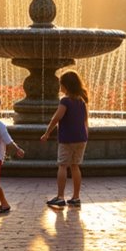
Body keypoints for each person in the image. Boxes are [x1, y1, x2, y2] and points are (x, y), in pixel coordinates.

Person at [41, 70, 89, 207]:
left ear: (66, 86)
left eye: (61, 84)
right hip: (81, 138)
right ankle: (76, 197)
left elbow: (56, 118)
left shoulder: (65, 101)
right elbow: (85, 121)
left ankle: (60, 197)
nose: (60, 87)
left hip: (67, 138)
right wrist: (85, 136)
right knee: (75, 166)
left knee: (62, 165)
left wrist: (47, 133)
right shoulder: (82, 100)